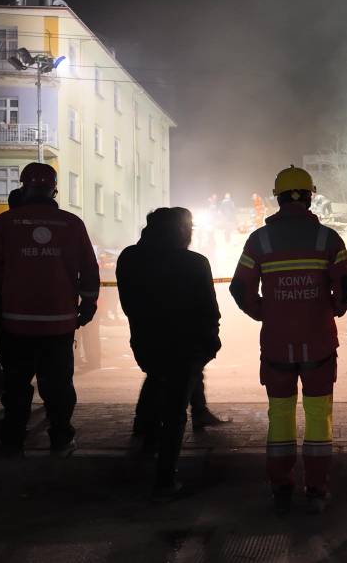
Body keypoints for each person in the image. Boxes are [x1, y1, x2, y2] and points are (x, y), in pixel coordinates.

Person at [229, 166, 347, 515]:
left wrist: (265, 312)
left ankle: (280, 486)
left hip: (276, 344)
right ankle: (316, 489)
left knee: (280, 416)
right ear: (310, 196)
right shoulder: (327, 239)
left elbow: (239, 288)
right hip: (318, 343)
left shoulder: (260, 240)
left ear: (278, 197)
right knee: (318, 417)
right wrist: (333, 307)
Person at [0, 162, 100, 458]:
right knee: (58, 386)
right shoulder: (71, 223)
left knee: (16, 387)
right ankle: (60, 438)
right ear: (54, 189)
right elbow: (89, 269)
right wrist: (89, 304)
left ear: (23, 187)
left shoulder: (5, 223)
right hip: (58, 324)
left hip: (15, 324)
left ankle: (12, 441)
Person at [117, 207, 221, 499]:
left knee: (156, 382)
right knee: (175, 412)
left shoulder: (130, 258)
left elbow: (129, 304)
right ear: (180, 230)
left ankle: (146, 442)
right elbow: (208, 309)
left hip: (146, 343)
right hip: (185, 346)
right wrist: (210, 343)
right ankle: (165, 478)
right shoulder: (195, 263)